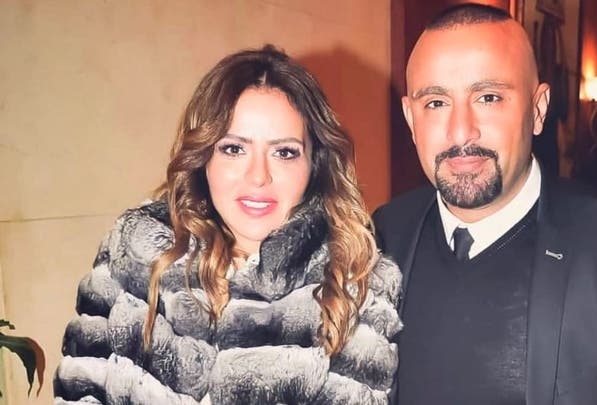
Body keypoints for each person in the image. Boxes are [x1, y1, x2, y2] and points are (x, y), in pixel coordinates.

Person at [372, 3, 597, 404]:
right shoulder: (384, 234)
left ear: (538, 109)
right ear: (411, 118)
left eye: (488, 97)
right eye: (436, 103)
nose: (461, 131)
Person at [54, 45, 402, 404]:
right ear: (204, 155)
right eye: (234, 149)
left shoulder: (356, 282)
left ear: (315, 163)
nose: (258, 176)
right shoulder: (137, 254)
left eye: (284, 152)